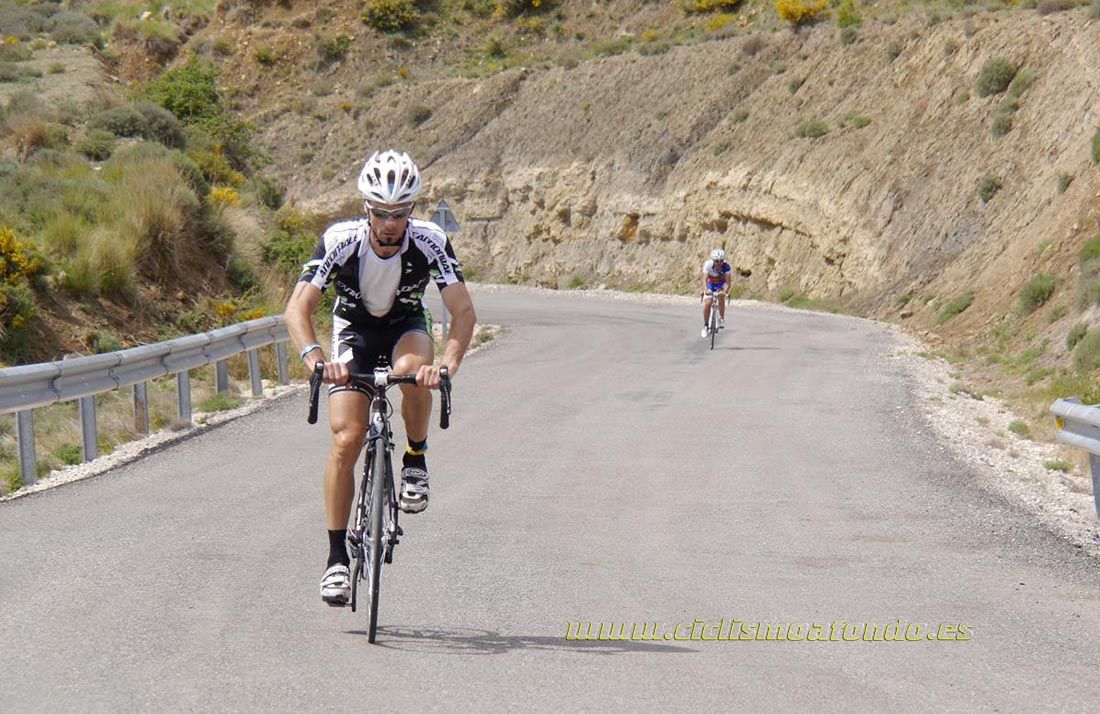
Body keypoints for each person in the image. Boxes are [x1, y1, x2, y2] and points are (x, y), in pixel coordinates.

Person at [283, 150, 477, 606]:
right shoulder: (340, 239)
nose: (390, 223)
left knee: (413, 373)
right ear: (366, 208)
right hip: (353, 330)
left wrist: (447, 364)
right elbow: (297, 307)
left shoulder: (430, 240)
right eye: (381, 213)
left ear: (412, 210)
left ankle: (415, 457)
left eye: (400, 213)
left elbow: (463, 311)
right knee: (346, 440)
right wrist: (314, 357)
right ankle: (335, 560)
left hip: (405, 325)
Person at [702, 248, 731, 338]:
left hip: (720, 283)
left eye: (721, 261)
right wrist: (706, 290)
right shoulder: (708, 265)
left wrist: (724, 292)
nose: (719, 263)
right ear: (713, 260)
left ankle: (721, 318)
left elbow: (728, 282)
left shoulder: (727, 267)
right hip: (710, 283)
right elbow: (704, 279)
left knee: (721, 296)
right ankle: (706, 326)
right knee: (708, 303)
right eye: (717, 261)